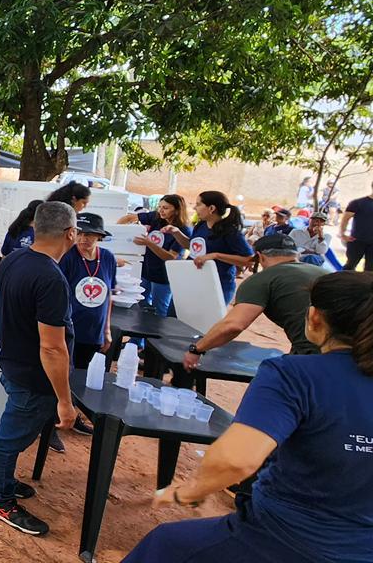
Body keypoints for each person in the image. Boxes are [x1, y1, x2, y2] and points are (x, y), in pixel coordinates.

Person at [123, 271, 373, 563]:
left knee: (163, 545)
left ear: (315, 317)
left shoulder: (294, 375)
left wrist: (188, 490)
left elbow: (236, 459)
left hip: (282, 537)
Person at [0, 201, 79, 537]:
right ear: (71, 234)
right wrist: (65, 401)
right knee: (11, 438)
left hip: (13, 360)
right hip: (33, 374)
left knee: (15, 432)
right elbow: (52, 346)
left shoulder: (14, 259)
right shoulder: (51, 278)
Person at [182, 234, 326, 367]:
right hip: (343, 353)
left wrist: (197, 349)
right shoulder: (324, 272)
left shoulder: (263, 279)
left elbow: (233, 325)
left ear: (260, 256)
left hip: (314, 356)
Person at [163, 191, 253, 304]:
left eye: (198, 204)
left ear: (211, 208)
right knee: (176, 316)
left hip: (217, 286)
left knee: (205, 321)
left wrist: (216, 255)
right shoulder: (200, 225)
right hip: (193, 281)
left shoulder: (230, 232)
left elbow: (249, 260)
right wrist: (176, 233)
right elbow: (192, 247)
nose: (195, 208)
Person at [59, 213, 116, 370]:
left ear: (99, 236)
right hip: (69, 331)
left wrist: (107, 330)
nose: (83, 238)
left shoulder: (108, 258)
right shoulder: (67, 257)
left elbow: (108, 295)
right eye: (80, 233)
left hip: (94, 332)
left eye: (89, 234)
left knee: (85, 375)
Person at [119, 194, 189, 317]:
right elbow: (130, 218)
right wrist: (117, 232)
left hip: (163, 276)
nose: (161, 210)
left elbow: (171, 257)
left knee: (159, 309)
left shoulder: (182, 230)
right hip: (146, 271)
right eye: (160, 207)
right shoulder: (156, 217)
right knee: (139, 305)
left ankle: (155, 336)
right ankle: (137, 336)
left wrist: (149, 243)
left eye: (166, 208)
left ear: (177, 210)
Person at [340, 181, 373, 271]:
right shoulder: (358, 203)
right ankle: (343, 283)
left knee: (370, 270)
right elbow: (345, 219)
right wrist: (343, 234)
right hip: (357, 241)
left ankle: (367, 285)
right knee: (350, 266)